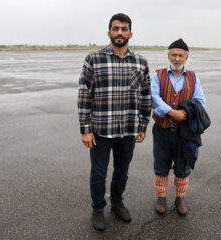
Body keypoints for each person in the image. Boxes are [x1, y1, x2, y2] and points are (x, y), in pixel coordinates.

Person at [77, 13, 151, 231]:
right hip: (101, 129)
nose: (120, 33)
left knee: (122, 171)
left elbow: (146, 96)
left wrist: (143, 125)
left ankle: (117, 202)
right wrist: (85, 129)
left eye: (124, 29)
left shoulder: (140, 62)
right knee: (99, 173)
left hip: (128, 129)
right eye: (116, 29)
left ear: (130, 33)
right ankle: (98, 208)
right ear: (109, 33)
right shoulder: (94, 58)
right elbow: (84, 95)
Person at [151, 38, 208, 215]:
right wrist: (171, 112)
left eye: (180, 55)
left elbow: (201, 101)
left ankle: (180, 198)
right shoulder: (159, 75)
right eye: (173, 54)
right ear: (169, 56)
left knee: (183, 166)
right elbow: (154, 98)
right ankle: (161, 198)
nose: (177, 58)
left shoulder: (193, 77)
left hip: (185, 132)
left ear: (186, 57)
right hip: (162, 130)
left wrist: (187, 112)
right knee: (161, 165)